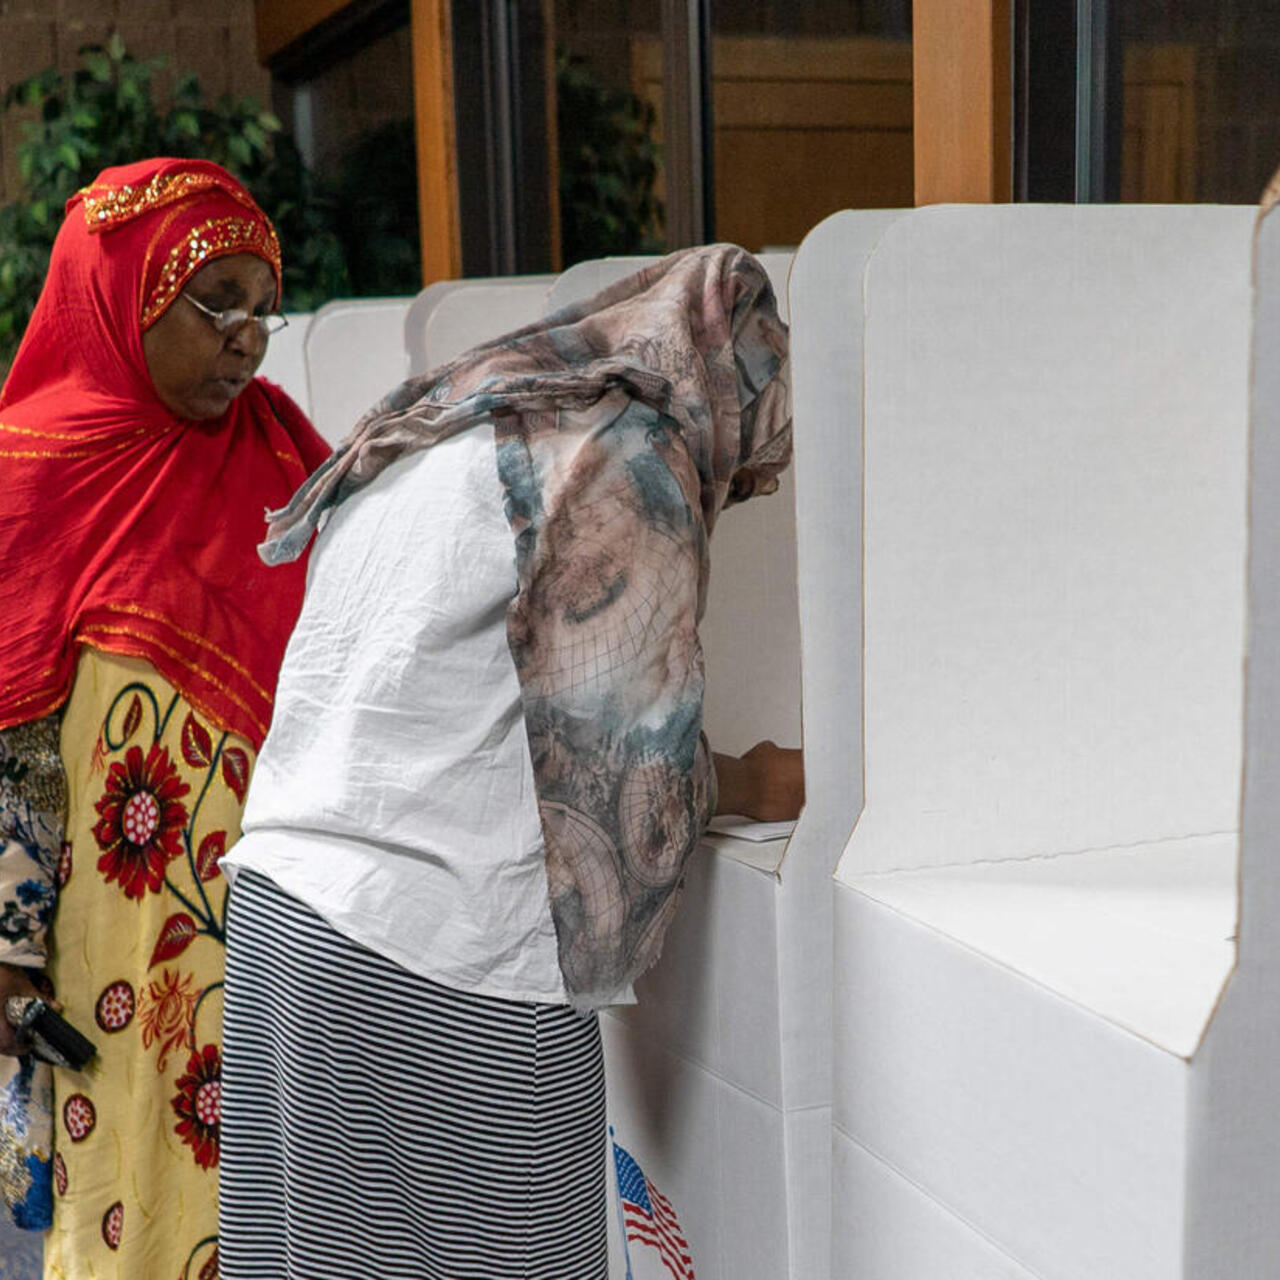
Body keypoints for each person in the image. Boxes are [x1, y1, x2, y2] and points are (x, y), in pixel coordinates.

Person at [217, 243, 802, 1279]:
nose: (738, 487)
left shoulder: (464, 412)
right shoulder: (629, 450)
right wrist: (754, 780)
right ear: (732, 388)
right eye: (749, 464)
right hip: (434, 957)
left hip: (285, 914)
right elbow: (619, 778)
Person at [0, 158, 329, 1280]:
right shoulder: (29, 475)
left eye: (262, 308)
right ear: (119, 295)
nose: (246, 337)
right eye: (215, 303)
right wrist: (4, 947)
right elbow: (9, 744)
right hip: (112, 952)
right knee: (133, 1206)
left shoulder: (287, 458)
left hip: (288, 923)